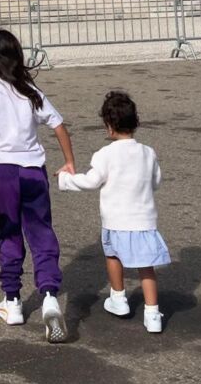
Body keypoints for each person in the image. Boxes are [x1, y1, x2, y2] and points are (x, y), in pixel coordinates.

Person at [0, 29, 74, 343]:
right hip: (34, 171)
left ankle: (13, 301)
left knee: (9, 232)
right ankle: (49, 294)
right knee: (41, 231)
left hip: (3, 172)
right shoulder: (32, 92)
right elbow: (58, 124)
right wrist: (69, 162)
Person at [58, 90, 169, 334]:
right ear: (135, 122)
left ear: (109, 127)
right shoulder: (148, 153)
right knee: (146, 265)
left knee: (113, 256)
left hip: (116, 220)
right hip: (143, 220)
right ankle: (153, 314)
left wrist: (66, 179)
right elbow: (156, 181)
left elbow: (91, 181)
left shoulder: (105, 154)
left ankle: (118, 299)